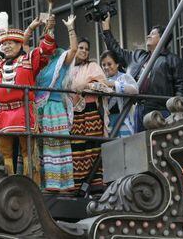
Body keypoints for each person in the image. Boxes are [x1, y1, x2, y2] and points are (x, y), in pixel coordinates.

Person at [0, 16, 56, 184]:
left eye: (10, 43)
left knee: (28, 151)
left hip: (24, 110)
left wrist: (48, 30)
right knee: (4, 153)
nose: (6, 47)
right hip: (3, 113)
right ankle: (6, 186)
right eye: (4, 44)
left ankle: (32, 186)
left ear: (20, 44)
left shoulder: (28, 60)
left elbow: (46, 50)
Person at [101, 13, 183, 132]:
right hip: (139, 108)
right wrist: (106, 29)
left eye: (152, 34)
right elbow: (117, 52)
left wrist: (178, 113)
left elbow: (180, 87)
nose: (148, 36)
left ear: (163, 38)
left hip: (161, 109)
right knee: (141, 144)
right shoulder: (138, 56)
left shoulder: (173, 60)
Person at [35, 14, 77, 192]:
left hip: (54, 107)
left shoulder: (60, 58)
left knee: (56, 145)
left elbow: (74, 50)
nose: (46, 47)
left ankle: (60, 184)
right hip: (37, 110)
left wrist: (70, 28)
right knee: (38, 147)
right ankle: (42, 184)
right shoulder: (35, 62)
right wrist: (36, 26)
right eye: (42, 44)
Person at [64, 37, 111, 192]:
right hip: (74, 114)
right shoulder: (67, 69)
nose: (83, 51)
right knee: (77, 148)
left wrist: (87, 86)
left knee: (93, 147)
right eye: (80, 48)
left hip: (91, 112)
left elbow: (104, 85)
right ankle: (79, 186)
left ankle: (97, 186)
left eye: (86, 49)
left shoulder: (92, 66)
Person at [100, 50, 138, 137]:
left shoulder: (124, 77)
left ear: (117, 64)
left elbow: (135, 90)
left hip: (123, 120)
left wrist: (114, 84)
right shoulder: (100, 80)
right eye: (103, 65)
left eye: (109, 64)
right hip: (108, 122)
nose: (106, 67)